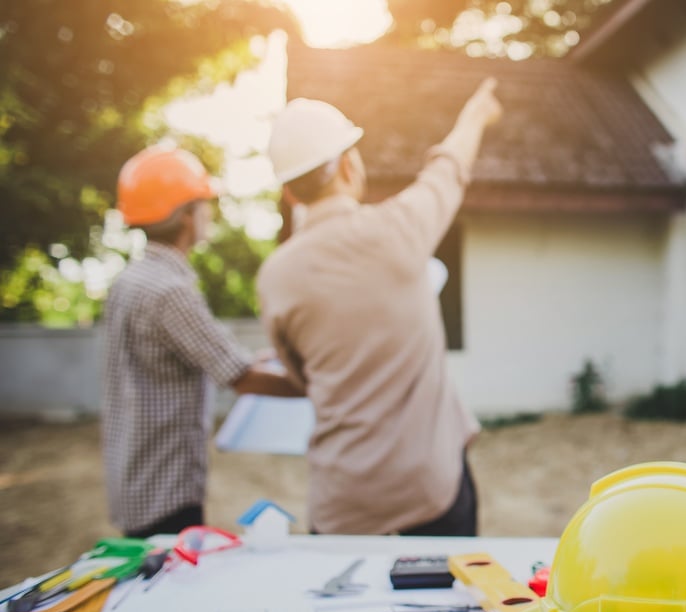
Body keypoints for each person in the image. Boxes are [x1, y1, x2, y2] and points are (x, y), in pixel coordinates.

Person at [257, 78, 502, 535]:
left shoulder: (275, 277)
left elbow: (300, 377)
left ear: (291, 193)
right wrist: (475, 114)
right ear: (349, 166)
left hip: (342, 504)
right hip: (429, 490)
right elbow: (448, 168)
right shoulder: (400, 230)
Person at [103, 145, 304, 538]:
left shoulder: (130, 281)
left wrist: (265, 359)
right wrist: (323, 387)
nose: (209, 213)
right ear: (184, 215)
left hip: (135, 479)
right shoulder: (170, 291)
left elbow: (204, 355)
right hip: (165, 487)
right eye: (203, 205)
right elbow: (240, 377)